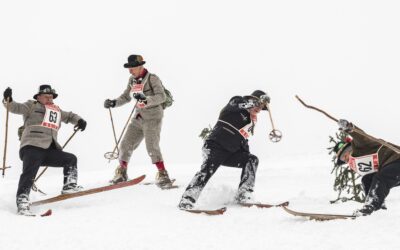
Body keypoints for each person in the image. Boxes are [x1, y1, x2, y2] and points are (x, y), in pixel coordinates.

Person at [178, 90, 270, 209]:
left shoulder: (250, 122)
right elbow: (238, 104)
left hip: (231, 152)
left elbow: (243, 140)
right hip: (216, 146)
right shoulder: (236, 103)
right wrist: (255, 103)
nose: (259, 108)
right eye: (258, 104)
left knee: (252, 159)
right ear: (251, 100)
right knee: (207, 170)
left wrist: (245, 156)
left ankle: (244, 194)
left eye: (262, 106)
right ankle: (187, 199)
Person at [2, 85, 87, 215]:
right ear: (39, 97)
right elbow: (15, 107)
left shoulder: (56, 111)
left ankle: (69, 186)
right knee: (29, 173)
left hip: (49, 149)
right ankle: (22, 200)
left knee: (70, 159)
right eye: (46, 96)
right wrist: (8, 99)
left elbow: (69, 116)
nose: (49, 99)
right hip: (32, 146)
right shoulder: (31, 106)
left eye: (51, 96)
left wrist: (79, 120)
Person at [104, 54, 173, 187]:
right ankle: (122, 172)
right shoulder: (132, 80)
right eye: (129, 68)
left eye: (132, 67)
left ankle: (163, 173)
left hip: (153, 118)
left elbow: (161, 96)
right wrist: (113, 103)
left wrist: (146, 100)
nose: (130, 70)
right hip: (138, 118)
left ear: (140, 66)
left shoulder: (153, 78)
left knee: (151, 146)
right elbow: (126, 97)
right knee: (125, 144)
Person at [334, 119, 400, 216]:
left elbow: (361, 136)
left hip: (396, 160)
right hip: (391, 168)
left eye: (344, 156)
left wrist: (349, 128)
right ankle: (379, 208)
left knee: (381, 177)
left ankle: (371, 206)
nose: (345, 160)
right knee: (367, 179)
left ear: (349, 149)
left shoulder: (361, 145)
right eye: (343, 160)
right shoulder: (358, 159)